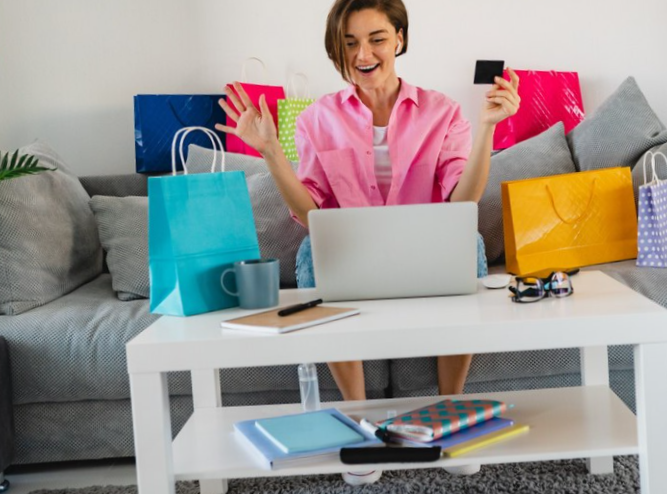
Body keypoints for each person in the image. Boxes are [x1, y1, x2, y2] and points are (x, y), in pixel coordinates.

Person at [216, 2, 518, 480]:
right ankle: (358, 423)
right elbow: (312, 213)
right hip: (349, 251)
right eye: (350, 42)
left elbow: (464, 199)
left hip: (428, 245)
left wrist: (486, 130)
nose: (363, 53)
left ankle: (451, 413)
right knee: (315, 248)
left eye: (376, 38)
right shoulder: (317, 117)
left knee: (469, 240)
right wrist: (272, 152)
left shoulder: (442, 111)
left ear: (399, 38)